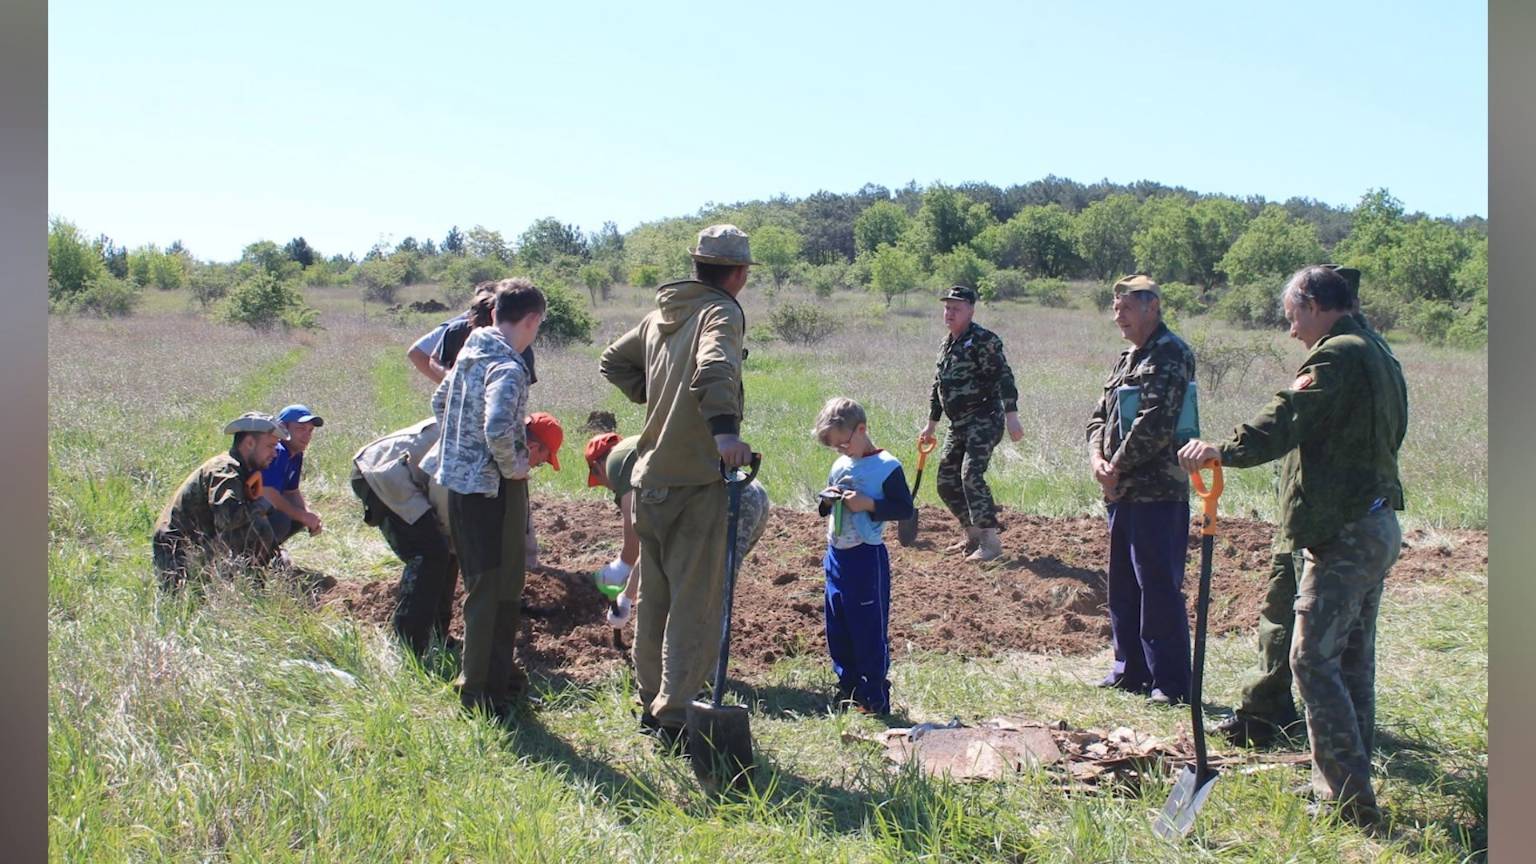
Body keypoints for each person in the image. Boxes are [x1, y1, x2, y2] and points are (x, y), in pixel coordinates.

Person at [1178, 265, 1408, 830]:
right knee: (1351, 661)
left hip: (1346, 534)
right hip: (1374, 524)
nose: (1291, 332)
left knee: (1309, 659)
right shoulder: (1379, 351)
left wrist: (1221, 452)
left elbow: (1287, 415)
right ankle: (1346, 785)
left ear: (1312, 304)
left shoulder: (1338, 354)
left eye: (1291, 318)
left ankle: (1350, 804)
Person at [599, 223, 755, 751]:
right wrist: (725, 434)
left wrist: (660, 396)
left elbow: (613, 361)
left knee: (657, 597)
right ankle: (677, 713)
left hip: (649, 481)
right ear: (738, 273)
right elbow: (714, 368)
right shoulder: (721, 311)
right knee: (696, 603)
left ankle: (650, 701)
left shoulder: (661, 313)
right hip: (693, 481)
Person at [425, 278, 555, 722]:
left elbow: (440, 401)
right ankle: (478, 693)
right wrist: (512, 463)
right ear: (532, 319)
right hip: (488, 492)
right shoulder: (508, 364)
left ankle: (499, 679)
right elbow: (499, 425)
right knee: (491, 591)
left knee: (496, 586)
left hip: (457, 484)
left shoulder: (471, 349)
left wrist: (460, 448)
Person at [1084, 275, 1198, 706]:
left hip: (1158, 491)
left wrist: (1115, 466)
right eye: (1115, 309)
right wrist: (1098, 460)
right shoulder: (1123, 358)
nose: (1119, 316)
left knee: (1158, 585)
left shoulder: (1171, 353)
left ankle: (1169, 682)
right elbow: (1098, 416)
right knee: (1123, 583)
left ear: (1153, 307)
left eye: (1127, 308)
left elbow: (1155, 422)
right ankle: (1129, 669)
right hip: (1120, 491)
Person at [584, 431, 770, 627]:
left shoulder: (620, 467)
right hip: (749, 490)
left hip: (728, 500)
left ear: (597, 467)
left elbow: (648, 543)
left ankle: (700, 650)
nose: (610, 490)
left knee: (710, 592)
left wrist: (625, 597)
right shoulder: (640, 450)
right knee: (712, 578)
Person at [813, 397, 913, 715]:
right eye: (835, 448)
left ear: (861, 429)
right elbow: (823, 507)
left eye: (843, 444)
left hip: (866, 558)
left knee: (867, 627)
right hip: (836, 555)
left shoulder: (887, 467)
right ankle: (848, 688)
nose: (841, 451)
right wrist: (828, 500)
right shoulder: (840, 465)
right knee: (838, 624)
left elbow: (903, 508)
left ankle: (874, 695)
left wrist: (869, 504)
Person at [918, 285, 1024, 562]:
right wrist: (931, 425)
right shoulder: (947, 343)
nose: (949, 313)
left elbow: (1004, 377)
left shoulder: (984, 340)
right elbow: (938, 386)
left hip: (984, 418)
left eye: (956, 308)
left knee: (971, 476)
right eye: (947, 308)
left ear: (971, 310)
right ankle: (972, 534)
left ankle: (990, 542)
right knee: (945, 481)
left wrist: (1012, 415)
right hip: (958, 424)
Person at [349, 418, 456, 659]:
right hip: (380, 471)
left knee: (445, 552)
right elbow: (443, 489)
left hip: (399, 473)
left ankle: (437, 635)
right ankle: (409, 646)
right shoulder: (477, 435)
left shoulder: (489, 430)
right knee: (430, 553)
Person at [152, 412, 288, 590]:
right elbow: (227, 519)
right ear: (249, 443)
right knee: (256, 524)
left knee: (260, 524)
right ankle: (248, 588)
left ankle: (254, 582)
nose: (274, 453)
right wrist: (262, 504)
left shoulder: (240, 469)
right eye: (270, 446)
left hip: (196, 542)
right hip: (177, 552)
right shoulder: (225, 469)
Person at [409, 285, 538, 385]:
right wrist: (452, 379)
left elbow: (523, 387)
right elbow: (431, 358)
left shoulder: (518, 342)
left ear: (495, 315)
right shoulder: (455, 330)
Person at [260, 404, 325, 546]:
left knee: (297, 517)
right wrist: (302, 515)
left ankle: (268, 551)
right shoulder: (277, 451)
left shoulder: (296, 454)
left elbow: (292, 491)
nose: (307, 436)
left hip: (263, 510)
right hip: (247, 510)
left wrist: (309, 515)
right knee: (283, 518)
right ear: (283, 428)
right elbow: (267, 493)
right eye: (300, 429)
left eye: (310, 430)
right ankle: (256, 555)